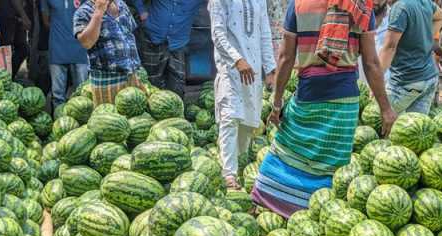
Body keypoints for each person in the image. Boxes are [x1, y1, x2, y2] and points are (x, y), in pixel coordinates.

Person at [252, 0, 396, 218]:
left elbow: (285, 57)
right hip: (344, 99)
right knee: (332, 163)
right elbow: (371, 63)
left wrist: (278, 101)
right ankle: (321, 213)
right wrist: (386, 109)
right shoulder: (362, 8)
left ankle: (279, 202)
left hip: (310, 93)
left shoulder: (299, 5)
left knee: (287, 149)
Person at [209, 0, 276, 189]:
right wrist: (236, 59)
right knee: (230, 118)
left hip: (253, 71)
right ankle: (228, 174)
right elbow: (218, 33)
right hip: (231, 70)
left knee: (248, 123)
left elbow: (264, 33)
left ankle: (239, 171)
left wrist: (270, 69)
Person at [379, 0, 442, 115]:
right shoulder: (423, 2)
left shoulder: (400, 7)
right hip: (429, 78)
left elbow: (389, 47)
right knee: (414, 129)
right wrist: (428, 38)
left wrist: (376, 83)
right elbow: (441, 16)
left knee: (380, 120)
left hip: (407, 82)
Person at [73, 0, 142, 106]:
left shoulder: (121, 5)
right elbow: (87, 43)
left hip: (131, 75)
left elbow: (129, 34)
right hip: (107, 80)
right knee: (110, 118)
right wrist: (99, 12)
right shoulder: (84, 11)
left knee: (133, 117)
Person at [131, 0, 204, 97]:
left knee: (177, 84)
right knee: (150, 81)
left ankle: (176, 110)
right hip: (152, 36)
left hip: (178, 43)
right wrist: (141, 11)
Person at [41, 0, 90, 108]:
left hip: (80, 47)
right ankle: (59, 121)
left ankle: (83, 123)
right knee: (57, 94)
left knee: (83, 92)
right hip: (58, 46)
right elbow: (45, 21)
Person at [0, 0, 31, 77]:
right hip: (7, 15)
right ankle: (5, 78)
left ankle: (9, 77)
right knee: (6, 49)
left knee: (23, 49)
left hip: (16, 16)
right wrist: (24, 16)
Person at [359, 0, 390, 82]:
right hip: (361, 84)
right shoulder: (356, 16)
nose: (375, 1)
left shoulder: (395, 18)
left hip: (389, 84)